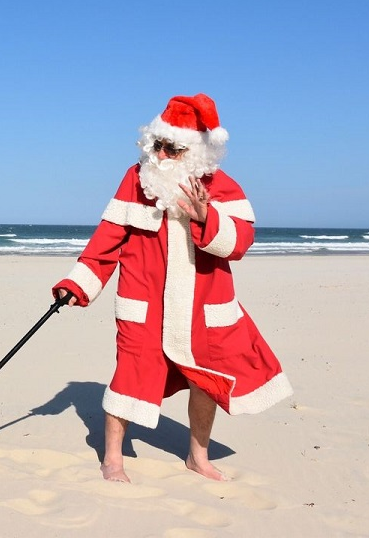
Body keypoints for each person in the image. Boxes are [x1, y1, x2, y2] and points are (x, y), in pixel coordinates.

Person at [53, 93, 292, 483]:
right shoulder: (135, 179)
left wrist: (206, 217)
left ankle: (197, 456)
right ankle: (112, 457)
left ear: (195, 151)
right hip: (142, 303)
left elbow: (240, 243)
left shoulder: (221, 186)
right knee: (129, 376)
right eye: (157, 145)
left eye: (173, 148)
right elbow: (107, 239)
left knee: (206, 380)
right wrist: (76, 285)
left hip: (203, 306)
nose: (161, 155)